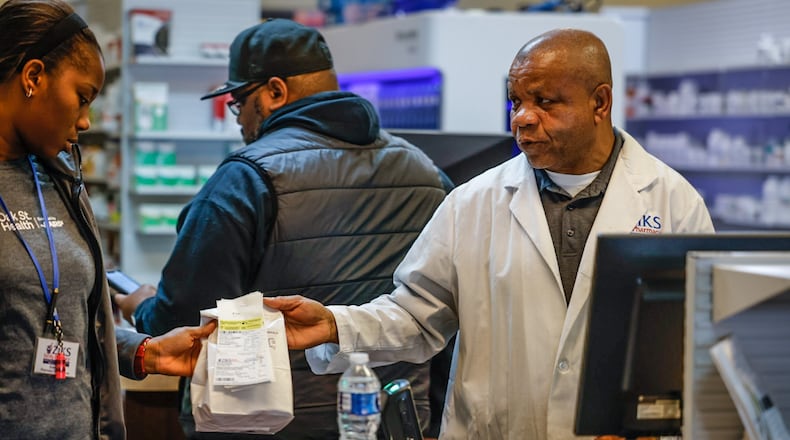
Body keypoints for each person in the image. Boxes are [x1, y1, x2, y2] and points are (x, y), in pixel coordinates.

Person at [262, 28, 716, 439]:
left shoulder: (672, 202)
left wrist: (656, 429)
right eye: (515, 101)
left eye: (544, 102)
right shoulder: (472, 202)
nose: (522, 118)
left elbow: (699, 343)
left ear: (600, 103)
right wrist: (334, 325)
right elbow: (418, 316)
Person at [113, 18, 455, 439]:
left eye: (239, 103)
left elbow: (184, 320)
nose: (238, 121)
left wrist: (141, 305)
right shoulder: (428, 173)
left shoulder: (245, 178)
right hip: (391, 421)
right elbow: (445, 320)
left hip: (267, 424)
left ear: (275, 92)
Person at [0, 1, 217, 438]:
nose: (85, 120)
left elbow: (67, 323)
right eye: (82, 97)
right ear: (33, 77)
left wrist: (146, 353)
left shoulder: (61, 181)